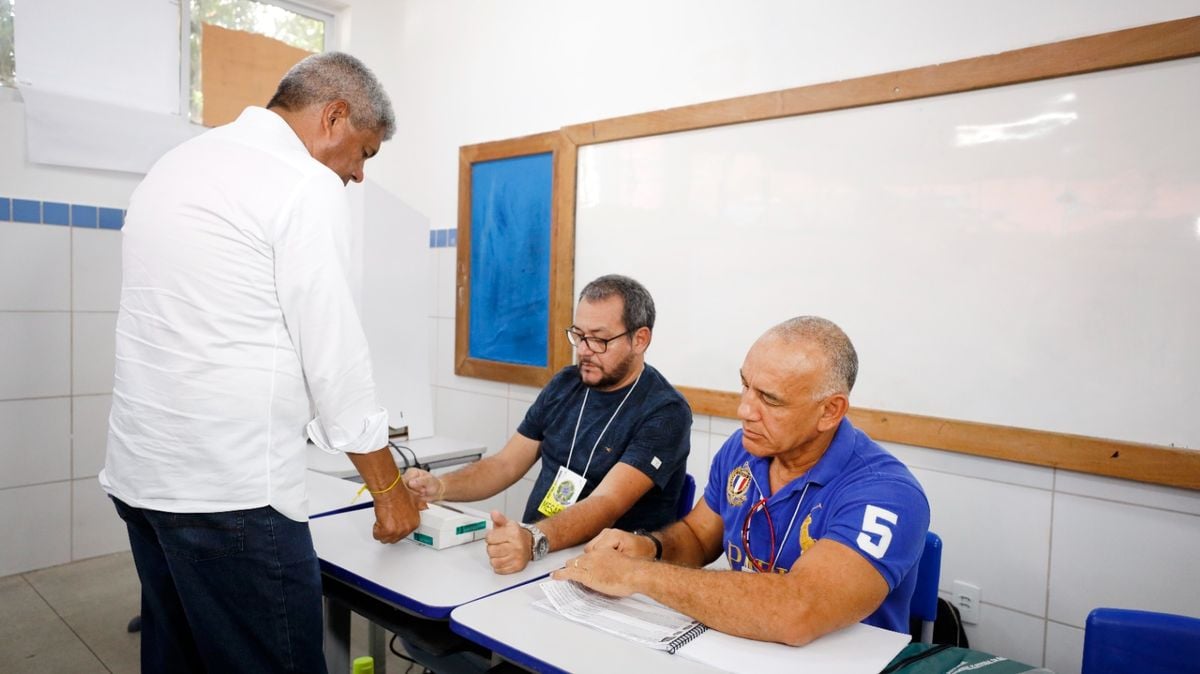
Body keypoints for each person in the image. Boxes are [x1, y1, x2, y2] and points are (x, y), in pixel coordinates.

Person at [99, 52, 422, 673]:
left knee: (180, 659)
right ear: (334, 116)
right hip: (229, 494)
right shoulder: (302, 183)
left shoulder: (179, 164)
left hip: (143, 480)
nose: (357, 175)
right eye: (365, 152)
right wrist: (388, 489)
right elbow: (334, 358)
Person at [554, 316, 930, 646]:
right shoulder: (744, 450)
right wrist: (647, 547)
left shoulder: (887, 493)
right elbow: (699, 537)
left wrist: (638, 574)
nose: (745, 410)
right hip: (740, 649)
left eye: (770, 399)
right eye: (745, 385)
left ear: (830, 411)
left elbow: (797, 612)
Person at [405, 274, 692, 575]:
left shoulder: (665, 411)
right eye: (579, 335)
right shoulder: (566, 383)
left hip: (610, 575)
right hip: (541, 555)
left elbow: (607, 502)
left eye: (599, 339)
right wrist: (440, 487)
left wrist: (533, 540)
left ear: (640, 339)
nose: (583, 350)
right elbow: (505, 464)